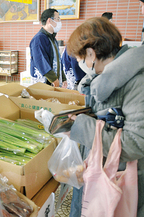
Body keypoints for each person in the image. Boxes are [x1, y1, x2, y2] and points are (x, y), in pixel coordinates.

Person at [65, 17, 144, 216]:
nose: (80, 64)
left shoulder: (137, 81)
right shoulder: (105, 78)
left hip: (118, 183)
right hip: (100, 177)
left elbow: (134, 143)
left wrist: (82, 128)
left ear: (91, 53)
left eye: (80, 59)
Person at [29, 8, 67, 88]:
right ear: (50, 20)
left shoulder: (52, 38)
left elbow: (58, 60)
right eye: (58, 19)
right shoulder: (39, 39)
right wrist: (53, 78)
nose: (59, 21)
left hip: (53, 80)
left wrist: (63, 77)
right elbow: (40, 61)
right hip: (44, 82)